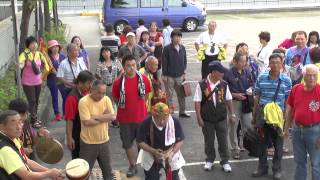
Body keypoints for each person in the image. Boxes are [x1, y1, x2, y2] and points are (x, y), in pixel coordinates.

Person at [252, 53, 292, 180]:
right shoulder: (261, 77)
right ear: (268, 64)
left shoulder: (286, 80)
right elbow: (257, 98)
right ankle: (262, 168)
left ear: (281, 65)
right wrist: (254, 116)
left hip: (278, 118)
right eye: (272, 62)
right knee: (262, 144)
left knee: (278, 145)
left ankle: (277, 170)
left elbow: (287, 102)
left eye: (277, 62)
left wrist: (286, 120)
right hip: (263, 116)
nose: (275, 64)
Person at [112, 54, 151, 177]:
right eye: (128, 66)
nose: (131, 68)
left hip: (141, 117)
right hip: (125, 119)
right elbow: (115, 98)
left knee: (143, 144)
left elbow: (146, 95)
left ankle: (147, 166)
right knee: (128, 144)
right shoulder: (118, 83)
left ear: (137, 65)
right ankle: (132, 165)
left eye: (133, 65)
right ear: (123, 67)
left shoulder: (144, 79)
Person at [194, 61, 235, 172]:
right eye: (221, 72)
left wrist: (232, 114)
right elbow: (197, 102)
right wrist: (199, 117)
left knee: (223, 140)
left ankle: (225, 161)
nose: (223, 74)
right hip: (207, 119)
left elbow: (229, 99)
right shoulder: (202, 85)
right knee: (209, 140)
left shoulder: (224, 84)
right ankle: (209, 160)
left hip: (221, 118)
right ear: (213, 72)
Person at [0, 110, 64, 179]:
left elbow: (27, 161)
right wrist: (49, 173)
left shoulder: (13, 139)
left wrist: (50, 171)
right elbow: (27, 176)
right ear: (1, 126)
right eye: (14, 124)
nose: (19, 127)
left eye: (20, 122)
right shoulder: (5, 150)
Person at [285, 64, 320, 180]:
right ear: (303, 76)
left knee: (316, 164)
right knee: (299, 162)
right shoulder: (296, 89)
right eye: (309, 75)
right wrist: (286, 129)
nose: (312, 78)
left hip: (315, 130)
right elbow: (289, 109)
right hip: (296, 129)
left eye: (314, 76)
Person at [78, 80, 116, 180]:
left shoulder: (106, 99)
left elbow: (112, 117)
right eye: (99, 92)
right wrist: (104, 117)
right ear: (92, 90)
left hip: (104, 142)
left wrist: (94, 117)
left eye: (103, 93)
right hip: (88, 144)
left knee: (108, 173)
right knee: (84, 174)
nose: (101, 95)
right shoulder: (83, 102)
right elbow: (87, 122)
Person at [137, 102, 185, 180]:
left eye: (164, 119)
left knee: (173, 177)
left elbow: (180, 140)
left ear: (168, 115)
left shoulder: (175, 122)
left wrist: (172, 153)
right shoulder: (146, 123)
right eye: (159, 119)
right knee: (151, 177)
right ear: (154, 116)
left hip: (170, 152)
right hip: (150, 153)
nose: (162, 122)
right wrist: (153, 151)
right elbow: (140, 142)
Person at [224, 52, 253, 159]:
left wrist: (250, 91)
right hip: (234, 103)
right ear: (235, 61)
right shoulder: (228, 74)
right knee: (233, 126)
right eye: (241, 61)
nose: (244, 63)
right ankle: (235, 148)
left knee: (248, 125)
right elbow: (223, 91)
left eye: (245, 61)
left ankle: (244, 145)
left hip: (246, 101)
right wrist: (235, 94)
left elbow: (252, 85)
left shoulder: (247, 72)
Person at [19, 36, 49, 128]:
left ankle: (34, 118)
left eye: (35, 42)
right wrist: (21, 65)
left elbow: (47, 66)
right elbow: (21, 63)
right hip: (27, 82)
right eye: (32, 43)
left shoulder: (39, 54)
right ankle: (33, 120)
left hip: (38, 82)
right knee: (32, 101)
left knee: (36, 101)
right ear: (28, 45)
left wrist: (43, 76)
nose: (34, 44)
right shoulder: (24, 54)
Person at [65, 70, 94, 159]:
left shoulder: (89, 93)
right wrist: (70, 138)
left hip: (89, 133)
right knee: (78, 160)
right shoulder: (72, 98)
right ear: (80, 83)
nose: (90, 86)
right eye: (88, 83)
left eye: (91, 83)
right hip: (77, 134)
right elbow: (69, 120)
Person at [162, 29, 190, 117]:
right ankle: (170, 112)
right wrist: (165, 74)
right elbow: (164, 62)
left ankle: (182, 112)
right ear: (171, 38)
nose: (177, 38)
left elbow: (185, 61)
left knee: (181, 95)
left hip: (180, 76)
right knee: (169, 96)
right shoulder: (167, 48)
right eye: (175, 37)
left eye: (179, 37)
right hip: (169, 76)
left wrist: (184, 72)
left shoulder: (182, 48)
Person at [57, 43, 87, 108]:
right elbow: (59, 77)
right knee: (68, 105)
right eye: (75, 50)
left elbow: (85, 72)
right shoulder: (63, 63)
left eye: (77, 49)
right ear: (69, 52)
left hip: (80, 88)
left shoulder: (80, 61)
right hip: (69, 89)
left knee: (80, 105)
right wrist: (72, 85)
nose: (78, 51)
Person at [46, 40, 65, 122]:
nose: (55, 48)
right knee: (55, 96)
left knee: (65, 95)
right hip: (52, 79)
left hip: (62, 79)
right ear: (50, 49)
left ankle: (65, 112)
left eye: (56, 46)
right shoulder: (47, 58)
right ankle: (57, 114)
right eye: (53, 47)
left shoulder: (62, 56)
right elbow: (46, 68)